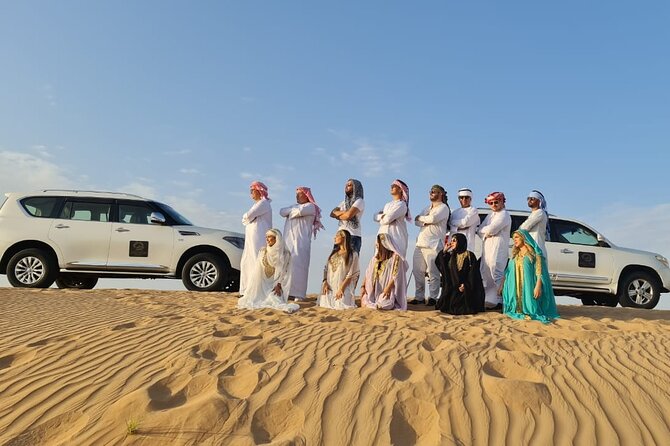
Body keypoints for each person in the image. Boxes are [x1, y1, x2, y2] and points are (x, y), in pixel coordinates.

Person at [499, 229, 559, 323]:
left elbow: (539, 272)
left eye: (517, 237)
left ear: (524, 238)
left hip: (529, 286)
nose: (514, 240)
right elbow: (508, 271)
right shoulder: (515, 255)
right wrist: (502, 285)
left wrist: (538, 286)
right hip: (515, 287)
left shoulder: (535, 254)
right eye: (513, 238)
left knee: (532, 310)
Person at [237, 229, 299, 313]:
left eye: (269, 237)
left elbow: (285, 272)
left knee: (274, 299)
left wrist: (279, 285)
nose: (267, 239)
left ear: (276, 238)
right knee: (251, 300)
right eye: (266, 237)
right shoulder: (263, 251)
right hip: (261, 284)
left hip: (275, 285)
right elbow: (257, 271)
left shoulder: (285, 254)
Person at [279, 186, 325, 301]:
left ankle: (298, 294)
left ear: (306, 195)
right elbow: (282, 211)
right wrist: (291, 211)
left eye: (300, 194)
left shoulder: (311, 207)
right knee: (286, 266)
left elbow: (299, 211)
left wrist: (290, 211)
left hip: (301, 242)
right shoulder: (294, 206)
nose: (297, 196)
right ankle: (287, 292)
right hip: (288, 241)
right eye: (296, 194)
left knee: (299, 267)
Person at [409, 184, 451, 305]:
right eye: (431, 191)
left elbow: (433, 219)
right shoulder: (427, 208)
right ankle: (419, 297)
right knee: (418, 271)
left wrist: (423, 219)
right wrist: (424, 220)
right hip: (420, 243)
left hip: (433, 244)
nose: (432, 193)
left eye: (435, 191)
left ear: (441, 194)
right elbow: (416, 222)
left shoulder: (443, 207)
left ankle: (433, 297)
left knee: (433, 272)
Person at [435, 233, 485, 314]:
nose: (452, 243)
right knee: (449, 306)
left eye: (454, 241)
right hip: (453, 288)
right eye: (451, 241)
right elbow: (440, 264)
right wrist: (444, 250)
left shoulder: (469, 255)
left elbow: (473, 274)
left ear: (460, 242)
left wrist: (466, 285)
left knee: (465, 308)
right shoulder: (451, 255)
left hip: (466, 288)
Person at [477, 191, 512, 310]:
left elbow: (492, 229)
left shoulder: (504, 215)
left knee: (496, 271)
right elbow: (479, 230)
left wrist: (487, 232)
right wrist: (487, 232)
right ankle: (489, 300)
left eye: (496, 202)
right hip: (487, 247)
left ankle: (500, 300)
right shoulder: (490, 215)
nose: (493, 205)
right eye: (490, 203)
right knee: (485, 272)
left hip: (498, 248)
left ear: (502, 201)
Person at [239, 181, 272, 296]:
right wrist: (247, 217)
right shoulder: (257, 204)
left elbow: (248, 216)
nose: (251, 193)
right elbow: (246, 218)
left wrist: (248, 217)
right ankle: (246, 290)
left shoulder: (264, 203)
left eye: (252, 190)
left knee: (256, 261)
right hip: (251, 238)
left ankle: (254, 290)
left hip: (259, 237)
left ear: (259, 191)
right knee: (246, 262)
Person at [360, 234, 408, 310]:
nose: (376, 244)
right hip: (374, 291)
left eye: (378, 242)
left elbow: (396, 275)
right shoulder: (375, 258)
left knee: (386, 303)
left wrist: (388, 288)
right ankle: (374, 305)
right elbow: (367, 273)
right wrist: (362, 286)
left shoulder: (396, 257)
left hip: (387, 289)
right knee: (366, 300)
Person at [318, 229, 360, 310]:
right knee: (325, 303)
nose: (334, 238)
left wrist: (341, 289)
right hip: (330, 287)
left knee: (341, 304)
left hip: (343, 287)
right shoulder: (333, 253)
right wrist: (325, 282)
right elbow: (326, 269)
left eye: (337, 236)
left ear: (344, 237)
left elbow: (350, 274)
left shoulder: (353, 254)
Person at [374, 179, 410, 257]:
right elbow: (375, 216)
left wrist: (382, 217)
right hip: (381, 239)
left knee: (393, 267)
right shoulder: (387, 205)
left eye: (394, 186)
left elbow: (387, 219)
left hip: (395, 240)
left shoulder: (401, 205)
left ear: (400, 189)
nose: (391, 188)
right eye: (391, 186)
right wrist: (382, 216)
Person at [330, 179, 365, 254]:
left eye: (349, 185)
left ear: (356, 188)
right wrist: (344, 212)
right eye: (346, 185)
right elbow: (332, 214)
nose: (346, 187)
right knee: (336, 262)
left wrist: (338, 215)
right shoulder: (343, 203)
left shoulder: (359, 201)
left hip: (352, 236)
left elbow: (348, 216)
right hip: (340, 236)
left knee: (349, 263)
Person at [519, 190, 549, 258]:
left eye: (532, 198)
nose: (529, 200)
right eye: (528, 198)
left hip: (536, 248)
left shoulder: (540, 212)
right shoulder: (534, 214)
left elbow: (524, 228)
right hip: (530, 247)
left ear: (539, 201)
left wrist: (519, 230)